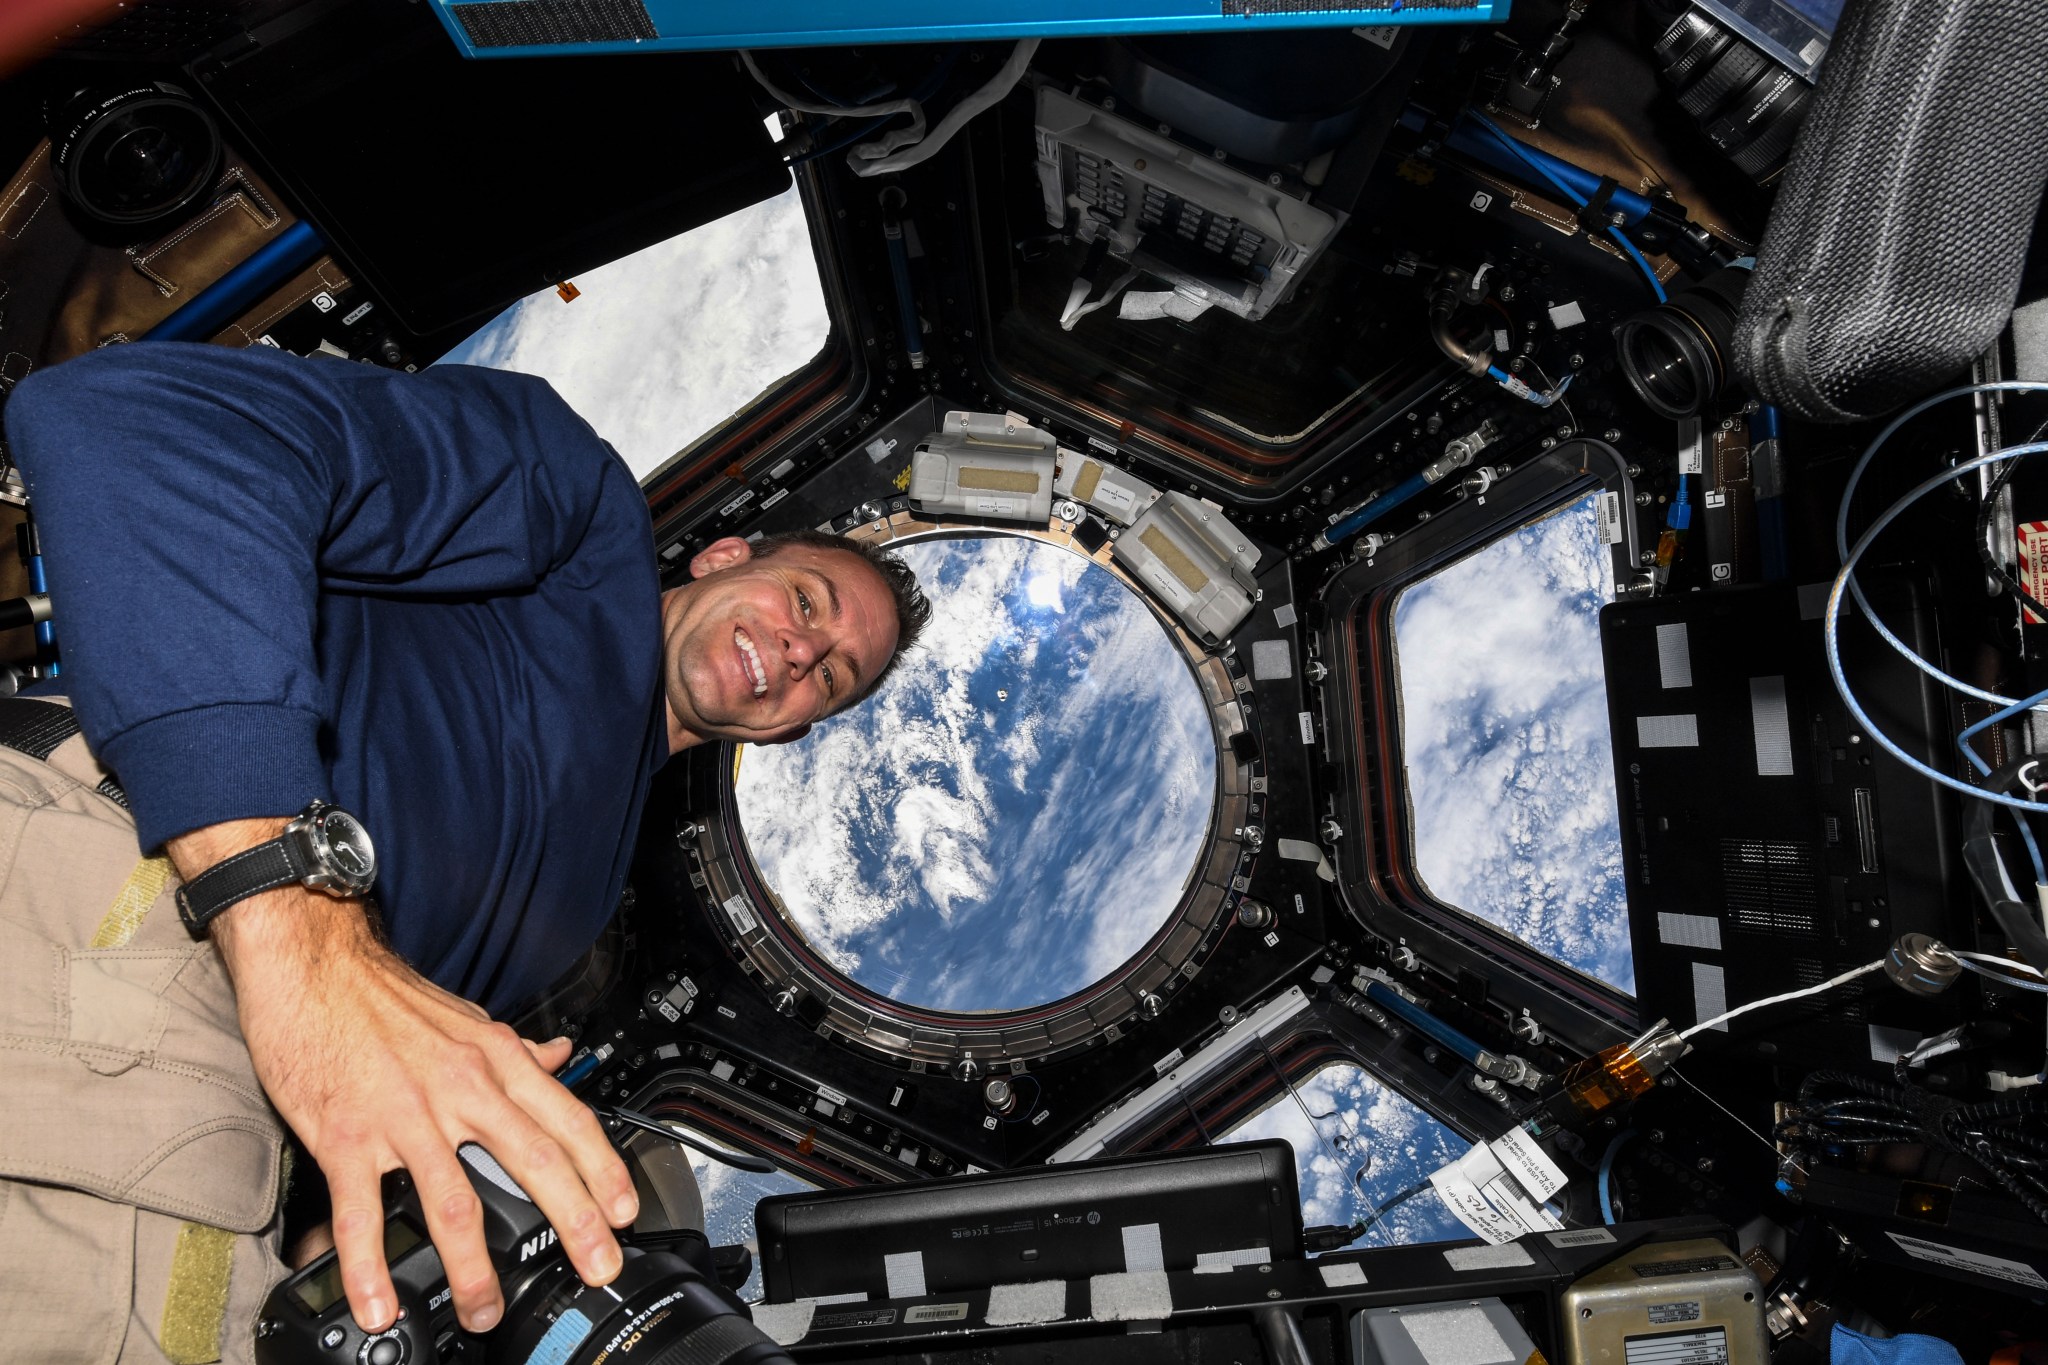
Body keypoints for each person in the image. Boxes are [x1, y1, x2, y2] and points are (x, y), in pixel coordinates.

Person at [0, 341, 929, 1362]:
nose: (799, 653)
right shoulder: (579, 512)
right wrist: (299, 932)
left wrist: (350, 1215)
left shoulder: (581, 907)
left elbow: (357, 1059)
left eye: (830, 678)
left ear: (786, 729)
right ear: (724, 557)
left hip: (219, 1150)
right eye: (804, 602)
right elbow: (133, 419)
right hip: (114, 892)